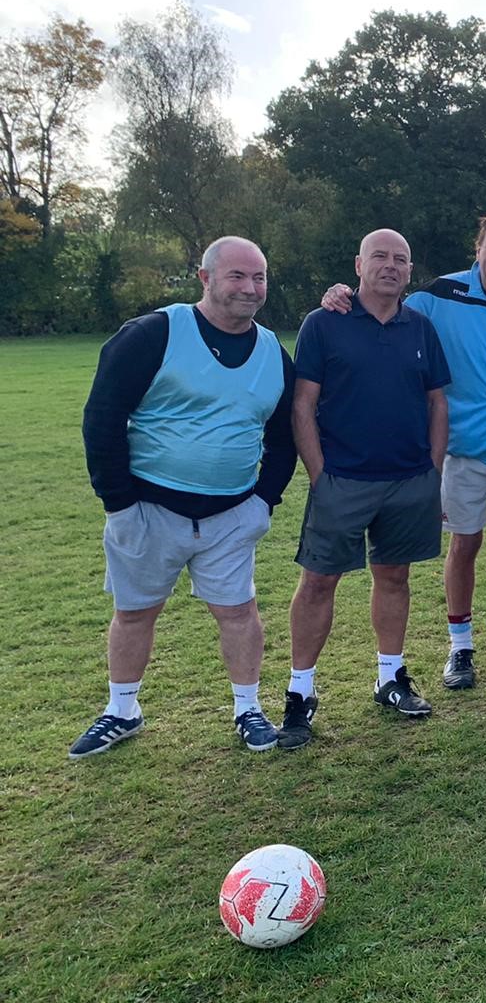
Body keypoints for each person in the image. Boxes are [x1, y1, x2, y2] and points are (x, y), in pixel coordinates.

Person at [74, 237, 296, 758]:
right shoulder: (153, 334)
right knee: (135, 612)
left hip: (230, 515)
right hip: (149, 511)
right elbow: (101, 418)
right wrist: (119, 504)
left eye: (259, 277)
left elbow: (285, 436)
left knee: (239, 612)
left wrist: (265, 500)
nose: (250, 287)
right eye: (237, 276)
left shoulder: (271, 351)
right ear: (205, 277)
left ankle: (248, 708)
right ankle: (122, 710)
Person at [319, 208, 486, 687]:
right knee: (464, 544)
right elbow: (381, 306)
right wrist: (341, 294)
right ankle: (461, 646)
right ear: (478, 250)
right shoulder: (441, 294)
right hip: (463, 450)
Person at [280, 229, 450, 749]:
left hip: (407, 480)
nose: (391, 266)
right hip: (342, 481)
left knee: (394, 577)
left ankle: (390, 676)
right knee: (317, 583)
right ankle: (299, 691)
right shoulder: (324, 323)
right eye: (381, 256)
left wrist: (431, 471)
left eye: (401, 259)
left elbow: (437, 404)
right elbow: (303, 404)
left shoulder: (419, 327)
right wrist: (319, 475)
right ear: (359, 263)